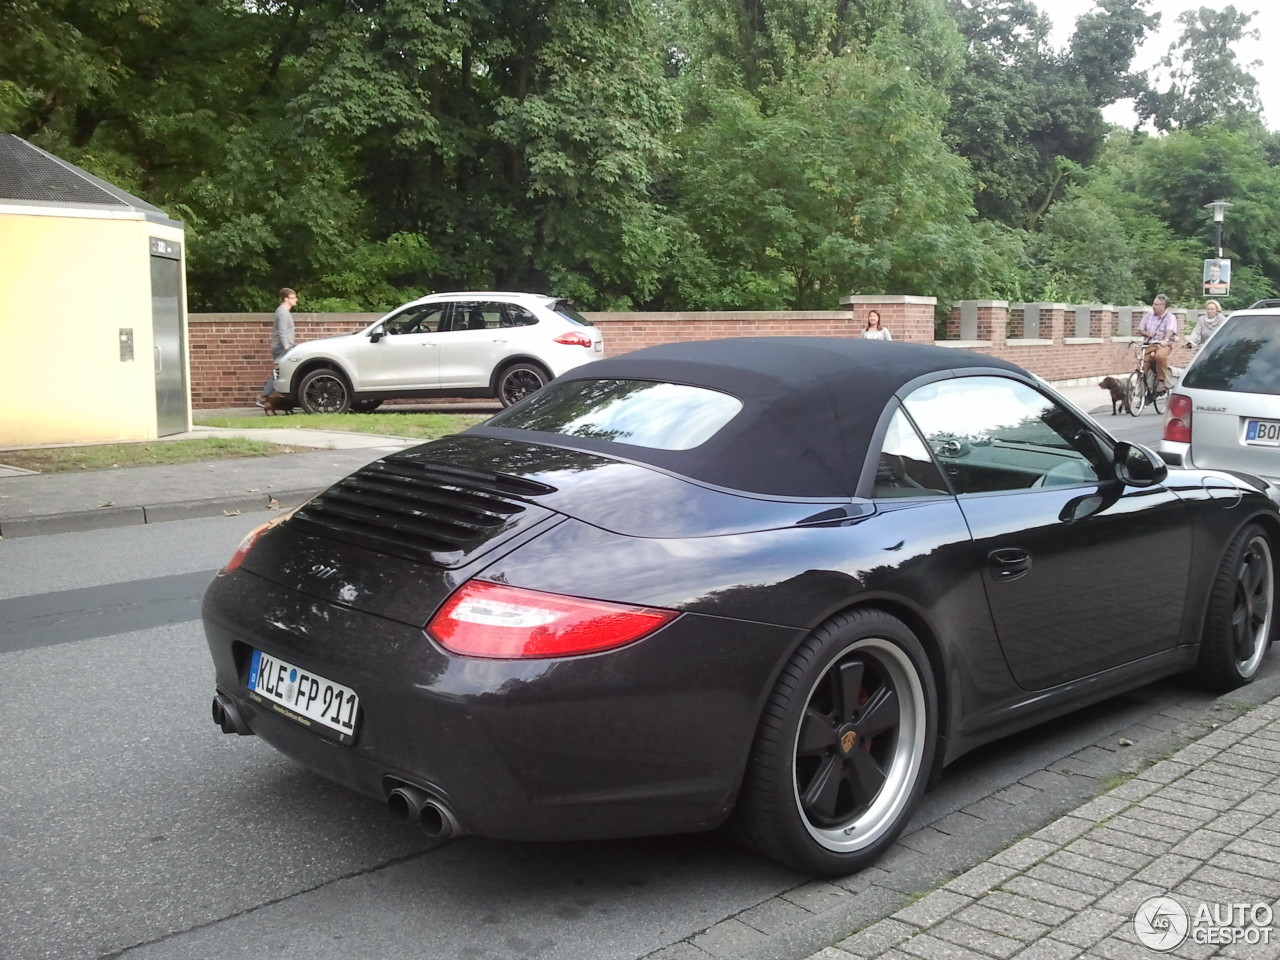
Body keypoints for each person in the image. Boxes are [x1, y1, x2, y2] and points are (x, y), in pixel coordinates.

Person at [258, 288, 298, 406]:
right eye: (293, 298)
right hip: (281, 348)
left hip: (282, 347)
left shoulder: (282, 312)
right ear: (286, 299)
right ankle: (263, 396)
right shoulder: (283, 313)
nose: (296, 300)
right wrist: (286, 346)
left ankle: (264, 396)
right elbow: (282, 331)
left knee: (280, 373)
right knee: (279, 374)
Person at [1138, 294, 1177, 391]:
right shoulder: (1148, 315)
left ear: (1163, 307)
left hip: (1162, 345)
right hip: (1150, 344)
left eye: (1156, 304)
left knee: (1160, 356)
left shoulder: (1170, 317)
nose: (1153, 306)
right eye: (1153, 304)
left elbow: (1170, 330)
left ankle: (1161, 380)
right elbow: (1140, 329)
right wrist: (1148, 334)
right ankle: (1142, 385)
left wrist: (1166, 340)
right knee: (1143, 361)